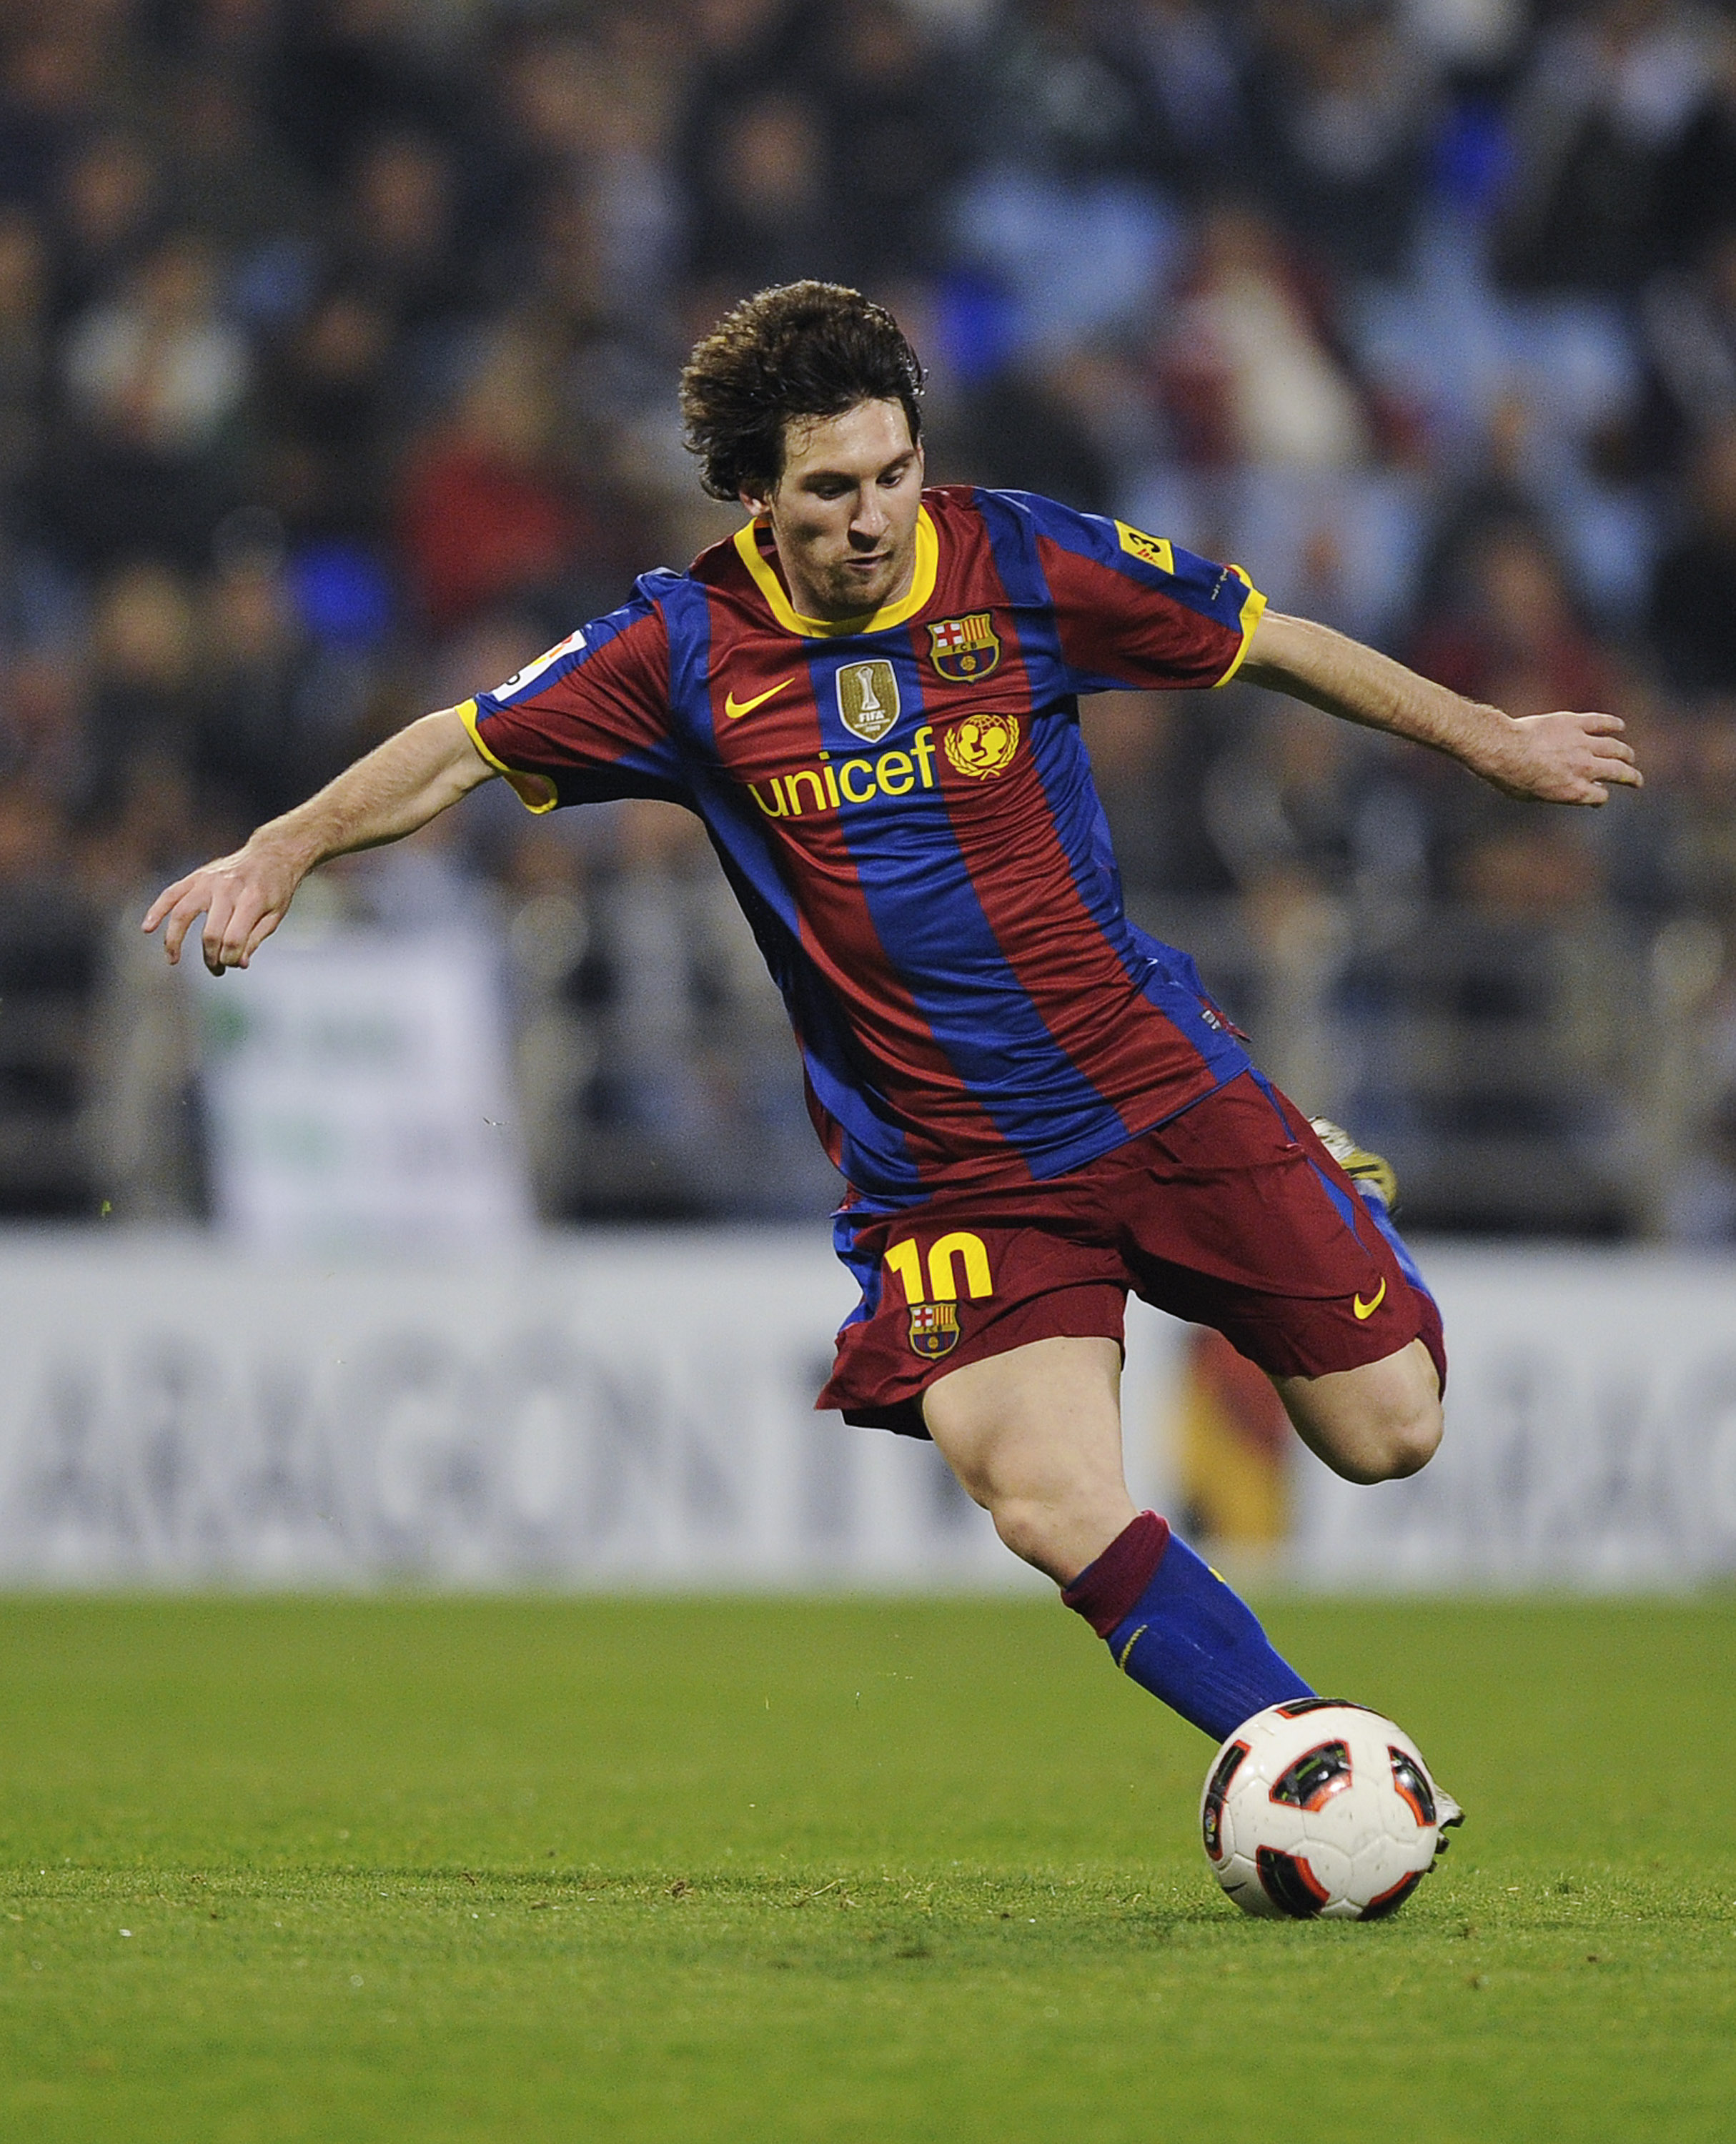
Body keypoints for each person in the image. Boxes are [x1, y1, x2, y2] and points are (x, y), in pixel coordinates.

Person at [145, 282, 1640, 1760]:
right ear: (750, 497)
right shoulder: (682, 650)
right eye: (831, 490)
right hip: (956, 1178)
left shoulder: (1023, 557)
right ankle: (1295, 1753)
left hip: (1154, 1090)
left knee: (1392, 1437)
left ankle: (1306, 1176)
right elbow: (457, 747)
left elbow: (1273, 642)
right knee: (1048, 1500)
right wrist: (282, 848)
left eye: (895, 474)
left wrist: (1490, 738)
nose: (874, 518)